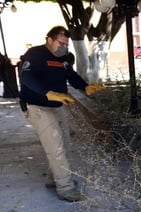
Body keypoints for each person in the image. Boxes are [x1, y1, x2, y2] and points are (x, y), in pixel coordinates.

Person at [19, 26, 105, 202]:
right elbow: (25, 78)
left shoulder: (63, 58)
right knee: (55, 146)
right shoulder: (35, 54)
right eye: (61, 43)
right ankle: (65, 188)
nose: (63, 47)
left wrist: (85, 86)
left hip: (57, 106)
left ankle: (55, 177)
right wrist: (47, 93)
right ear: (49, 40)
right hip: (38, 107)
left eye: (66, 44)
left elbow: (71, 75)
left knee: (64, 143)